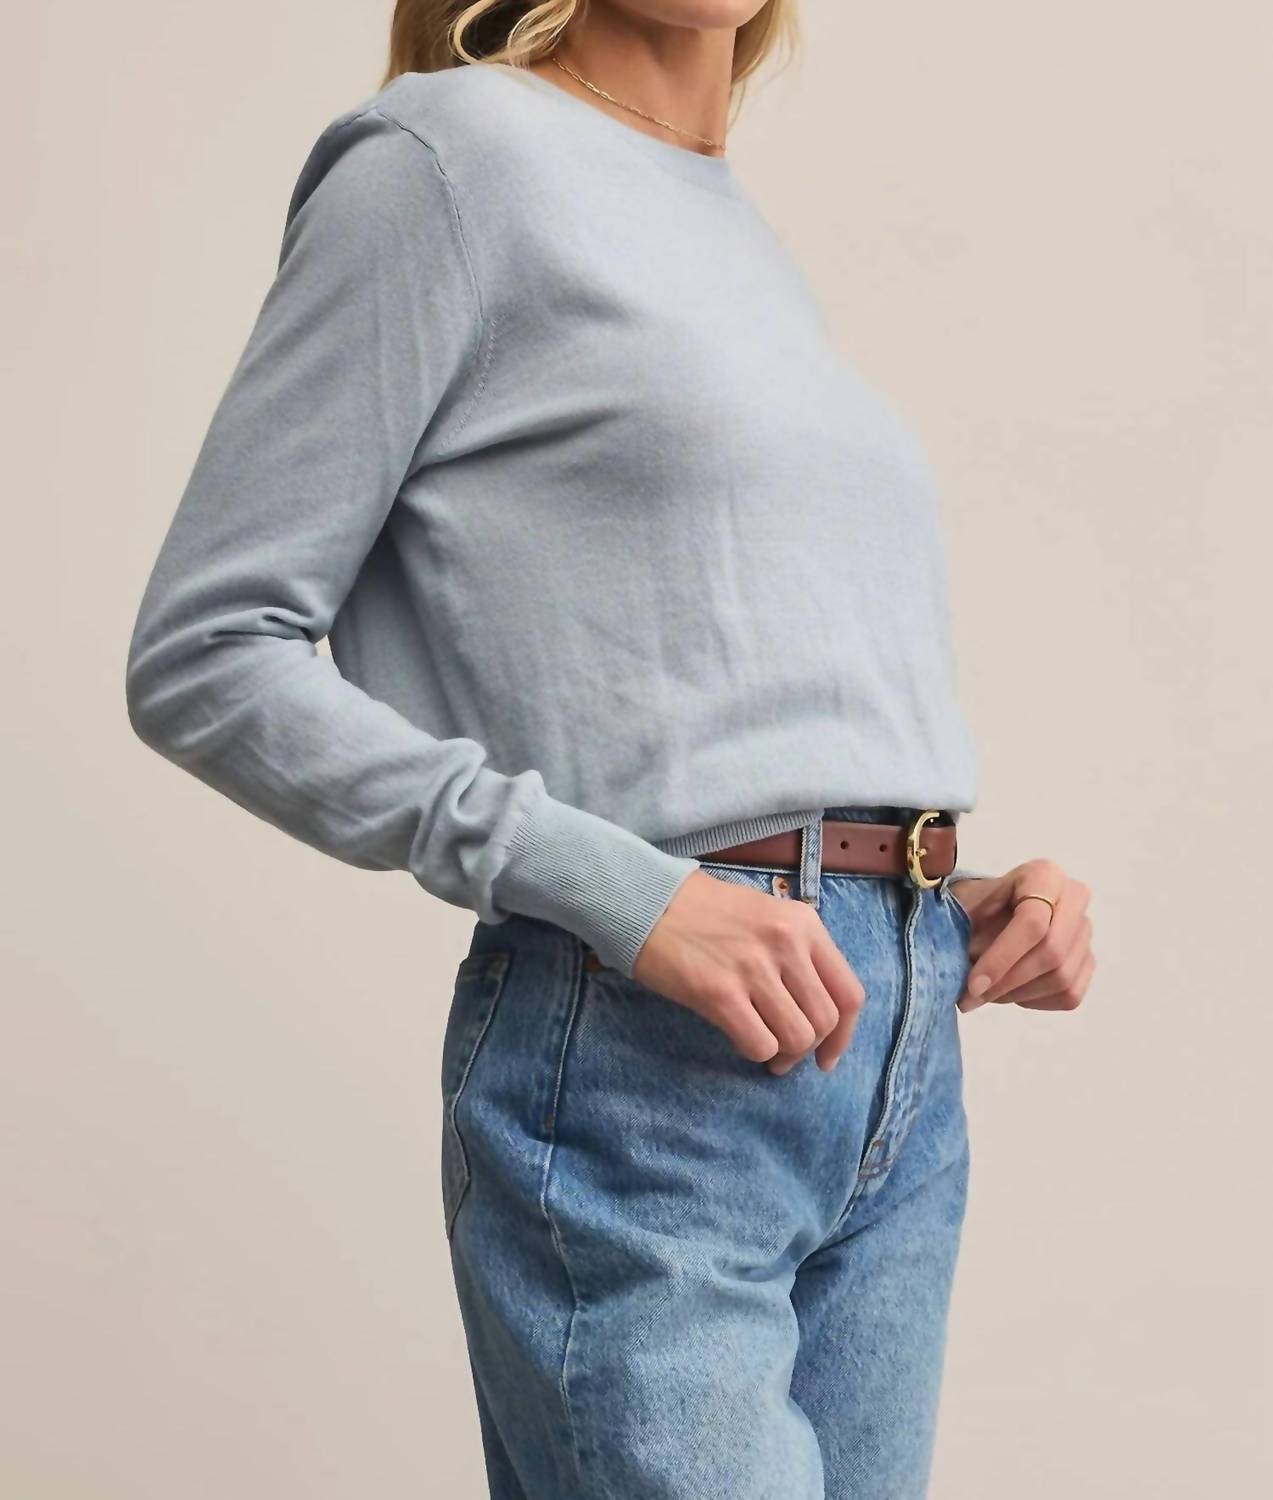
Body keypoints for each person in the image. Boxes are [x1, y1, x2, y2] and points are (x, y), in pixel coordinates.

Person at [125, 3, 1095, 1495]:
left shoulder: (726, 223)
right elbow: (207, 653)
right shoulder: (444, 161)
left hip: (888, 1062)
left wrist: (918, 894)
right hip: (648, 1069)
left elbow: (695, 698)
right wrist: (626, 891)